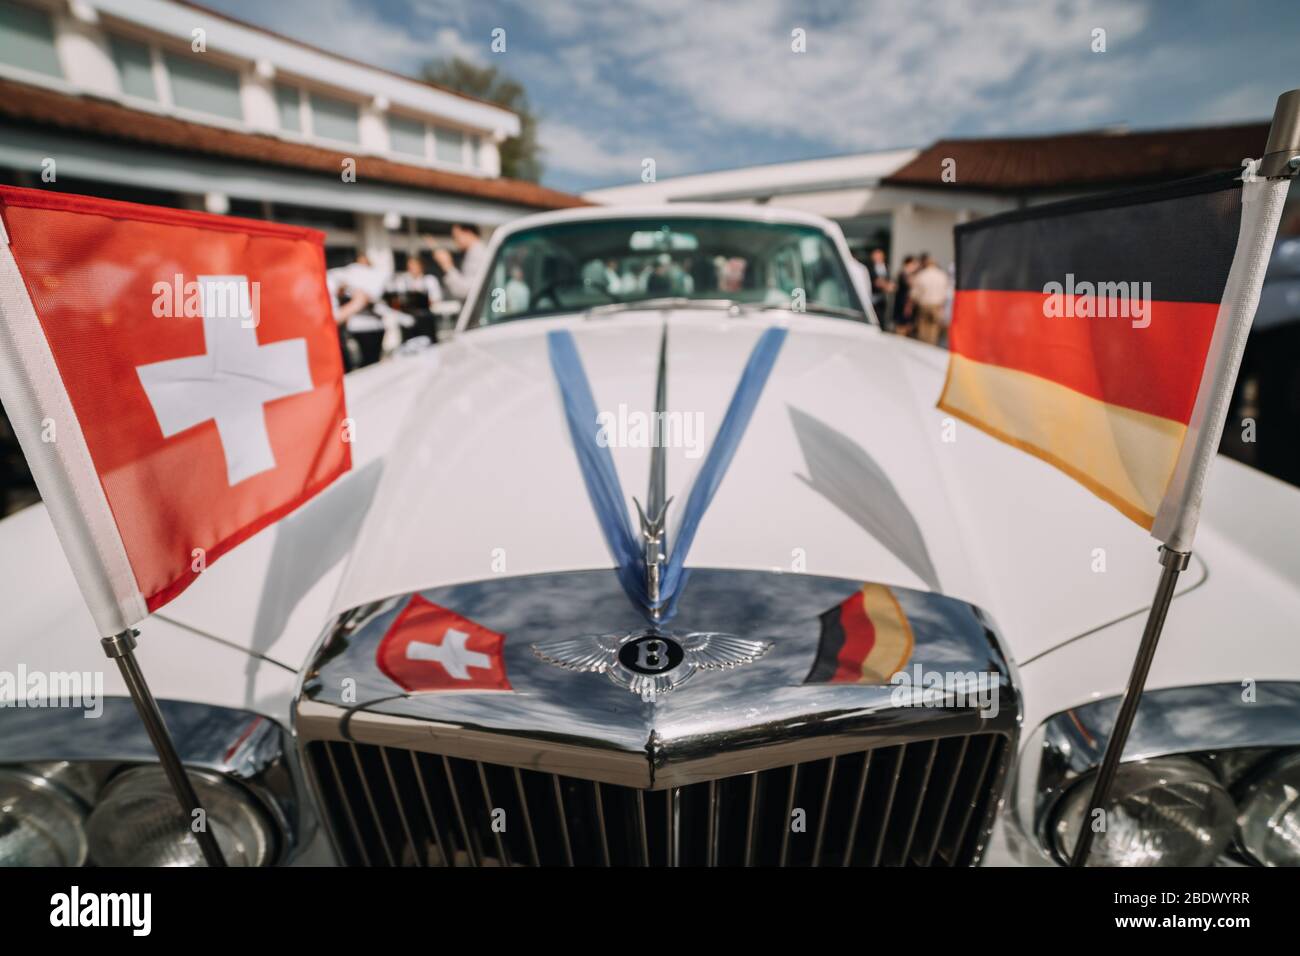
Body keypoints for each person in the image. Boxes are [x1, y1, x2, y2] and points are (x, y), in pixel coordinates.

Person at [328, 254, 388, 369]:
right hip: (357, 327)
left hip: (375, 325)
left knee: (373, 359)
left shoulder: (376, 280)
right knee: (363, 362)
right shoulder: (342, 283)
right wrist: (356, 301)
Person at [387, 255, 442, 344]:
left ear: (421, 267)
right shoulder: (402, 281)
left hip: (425, 319)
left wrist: (415, 300)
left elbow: (435, 299)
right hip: (408, 320)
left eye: (414, 266)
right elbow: (396, 301)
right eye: (410, 266)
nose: (412, 269)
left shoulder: (429, 280)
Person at [427, 223, 488, 302]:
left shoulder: (478, 253)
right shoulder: (475, 252)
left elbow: (465, 291)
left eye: (456, 237)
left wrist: (446, 265)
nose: (455, 241)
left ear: (468, 233)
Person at [909, 253, 951, 347]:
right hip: (937, 305)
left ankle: (923, 347)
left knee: (923, 329)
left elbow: (914, 293)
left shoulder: (922, 275)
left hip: (924, 304)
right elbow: (946, 292)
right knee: (934, 329)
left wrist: (911, 305)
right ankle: (931, 347)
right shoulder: (942, 275)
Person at [865, 247, 894, 325]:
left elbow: (890, 281)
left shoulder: (887, 267)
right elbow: (874, 281)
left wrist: (888, 285)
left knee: (881, 318)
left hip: (882, 298)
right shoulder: (868, 267)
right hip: (872, 297)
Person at [892, 255, 919, 335]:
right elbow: (909, 286)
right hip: (903, 303)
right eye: (913, 264)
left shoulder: (907, 274)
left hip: (906, 303)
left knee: (907, 325)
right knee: (902, 325)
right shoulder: (903, 274)